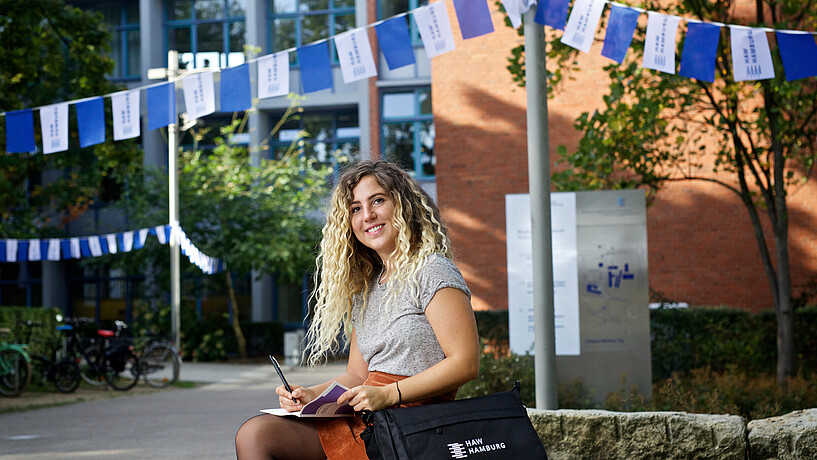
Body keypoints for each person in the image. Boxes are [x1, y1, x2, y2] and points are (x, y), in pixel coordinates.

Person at [235, 160, 480, 459]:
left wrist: (389, 394)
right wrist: (313, 395)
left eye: (378, 200)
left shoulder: (432, 270)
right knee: (257, 435)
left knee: (258, 437)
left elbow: (465, 363)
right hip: (369, 417)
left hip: (416, 422)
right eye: (355, 208)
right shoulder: (368, 287)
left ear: (403, 205)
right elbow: (356, 376)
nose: (368, 215)